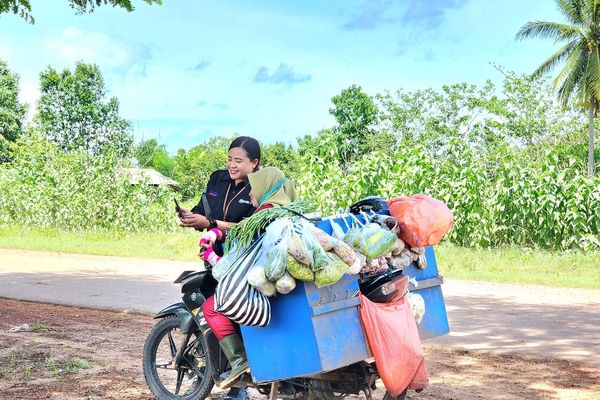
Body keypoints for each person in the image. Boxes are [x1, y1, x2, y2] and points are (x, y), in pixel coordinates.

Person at [179, 136, 261, 400]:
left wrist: (211, 222)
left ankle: (239, 388)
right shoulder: (217, 179)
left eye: (239, 161)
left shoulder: (259, 188)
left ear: (254, 163)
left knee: (226, 313)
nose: (232, 165)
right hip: (215, 259)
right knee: (218, 315)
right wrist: (192, 217)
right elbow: (204, 210)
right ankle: (228, 379)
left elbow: (253, 227)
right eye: (229, 159)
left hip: (241, 263)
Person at [200, 166, 296, 390]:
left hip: (257, 282)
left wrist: (213, 258)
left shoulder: (266, 212)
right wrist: (219, 231)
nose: (250, 193)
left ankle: (239, 361)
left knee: (212, 307)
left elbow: (242, 251)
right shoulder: (285, 210)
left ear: (266, 188)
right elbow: (242, 230)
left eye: (253, 188)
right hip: (274, 281)